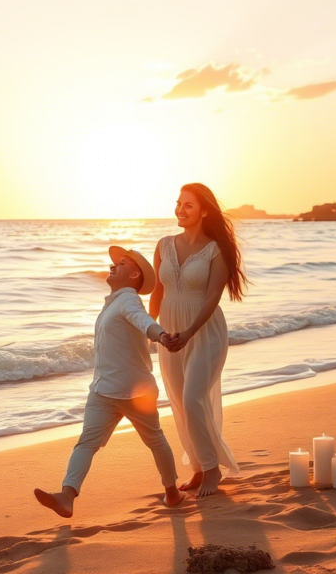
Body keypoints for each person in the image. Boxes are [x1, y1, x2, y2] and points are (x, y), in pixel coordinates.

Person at [34, 246, 184, 518]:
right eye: (115, 262)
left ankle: (172, 491)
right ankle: (67, 496)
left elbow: (144, 320)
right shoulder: (113, 303)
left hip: (134, 391)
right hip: (103, 390)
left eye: (122, 263)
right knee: (87, 443)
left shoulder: (128, 300)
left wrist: (161, 336)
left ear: (135, 273)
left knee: (155, 440)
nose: (113, 265)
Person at [150, 183, 247, 498]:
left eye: (188, 205)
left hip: (204, 332)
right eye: (178, 203)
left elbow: (212, 298)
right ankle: (197, 467)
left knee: (192, 400)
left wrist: (189, 332)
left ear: (204, 210)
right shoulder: (164, 245)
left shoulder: (216, 250)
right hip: (170, 335)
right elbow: (157, 293)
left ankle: (212, 468)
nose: (180, 209)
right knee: (179, 403)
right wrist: (152, 332)